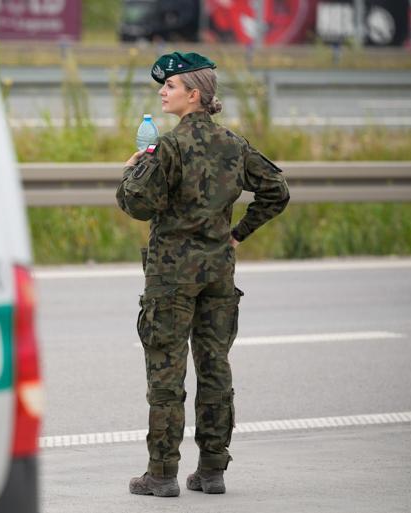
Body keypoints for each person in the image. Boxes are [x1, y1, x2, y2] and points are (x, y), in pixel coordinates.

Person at [116, 51, 290, 497]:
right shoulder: (233, 144)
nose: (163, 92)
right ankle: (212, 470)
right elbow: (276, 189)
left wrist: (135, 167)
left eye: (170, 86)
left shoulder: (169, 147)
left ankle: (161, 475)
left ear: (194, 94)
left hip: (172, 275)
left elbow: (137, 203)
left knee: (166, 375)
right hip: (217, 271)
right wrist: (238, 233)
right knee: (215, 368)